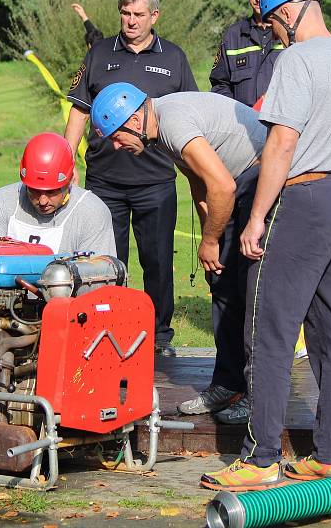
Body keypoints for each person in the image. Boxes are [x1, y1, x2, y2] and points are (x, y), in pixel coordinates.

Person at [200, 0, 331, 491]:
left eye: (275, 21)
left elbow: (281, 143)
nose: (275, 32)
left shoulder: (296, 59)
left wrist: (256, 217)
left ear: (293, 10)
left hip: (304, 199)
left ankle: (260, 457)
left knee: (268, 329)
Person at [90, 84, 266, 424]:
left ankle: (257, 396)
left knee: (252, 293)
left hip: (259, 176)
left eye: (116, 136)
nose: (115, 146)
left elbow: (223, 186)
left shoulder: (172, 123)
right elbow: (199, 182)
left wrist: (212, 239)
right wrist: (209, 239)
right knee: (223, 285)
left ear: (135, 119)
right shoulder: (159, 130)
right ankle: (227, 384)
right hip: (236, 181)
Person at [64, 0, 198, 357]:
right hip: (104, 181)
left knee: (156, 262)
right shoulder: (99, 52)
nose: (131, 21)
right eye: (126, 13)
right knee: (105, 263)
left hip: (156, 180)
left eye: (139, 14)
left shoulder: (173, 57)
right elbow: (79, 109)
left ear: (154, 16)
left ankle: (158, 336)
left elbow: (189, 113)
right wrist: (66, 158)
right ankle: (108, 331)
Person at [0, 132, 116, 256]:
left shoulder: (92, 212)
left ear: (69, 182)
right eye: (34, 191)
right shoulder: (3, 201)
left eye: (51, 192)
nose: (43, 201)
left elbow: (98, 275)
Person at [209, 0, 283, 107]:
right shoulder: (233, 36)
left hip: (281, 127)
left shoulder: (292, 35)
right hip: (241, 127)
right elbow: (220, 85)